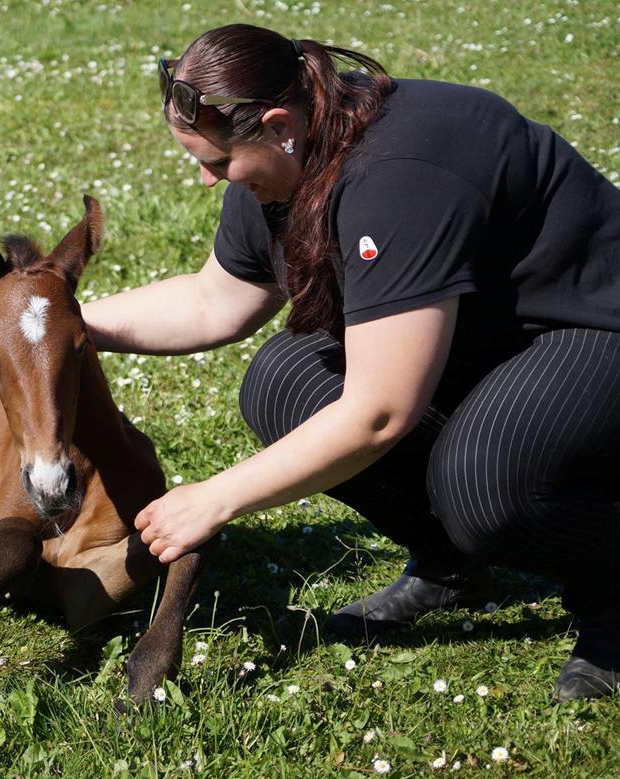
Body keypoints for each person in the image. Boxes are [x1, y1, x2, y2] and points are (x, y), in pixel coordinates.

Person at [81, 22, 620, 701]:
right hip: (478, 339)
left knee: (485, 482)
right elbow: (210, 302)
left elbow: (380, 411)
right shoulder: (285, 166)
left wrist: (215, 497)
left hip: (591, 332)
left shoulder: (396, 173)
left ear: (278, 124)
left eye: (216, 162)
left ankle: (612, 600)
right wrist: (60, 329)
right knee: (284, 381)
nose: (206, 179)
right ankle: (452, 565)